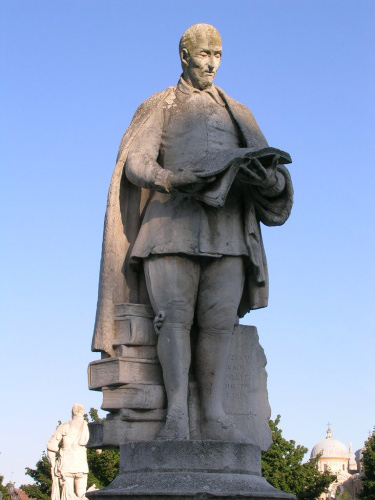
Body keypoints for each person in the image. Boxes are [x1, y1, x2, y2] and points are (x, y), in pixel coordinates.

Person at [92, 24, 293, 441]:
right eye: (204, 55)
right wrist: (171, 179)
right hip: (169, 226)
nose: (212, 64)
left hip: (228, 231)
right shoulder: (160, 104)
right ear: (184, 55)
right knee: (174, 320)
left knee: (219, 322)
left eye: (218, 55)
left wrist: (267, 181)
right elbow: (136, 163)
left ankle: (213, 412)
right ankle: (177, 414)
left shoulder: (238, 111)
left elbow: (276, 180)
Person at [47, 404, 89, 499]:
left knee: (67, 496)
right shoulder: (87, 427)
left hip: (66, 466)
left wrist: (53, 465)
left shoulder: (64, 427)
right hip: (81, 466)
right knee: (82, 494)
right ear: (83, 413)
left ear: (72, 413)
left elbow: (51, 446)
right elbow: (98, 449)